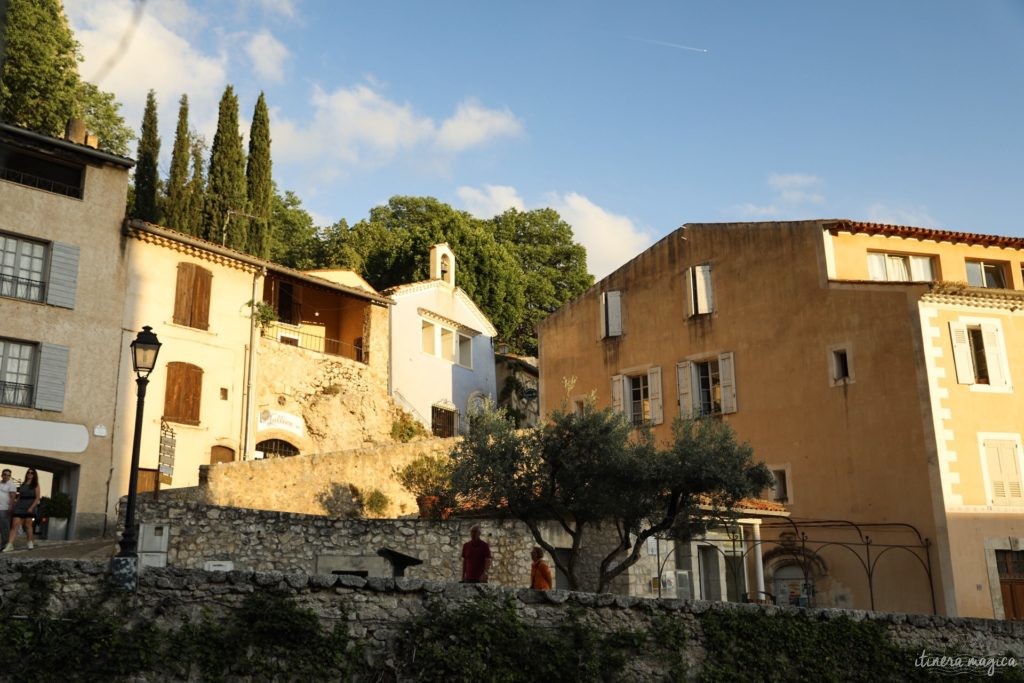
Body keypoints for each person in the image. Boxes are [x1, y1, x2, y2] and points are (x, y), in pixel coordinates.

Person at [3, 468, 41, 552]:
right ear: (27, 474)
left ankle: (30, 542)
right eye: (28, 472)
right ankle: (10, 545)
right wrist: (14, 505)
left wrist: (31, 507)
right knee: (14, 525)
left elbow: (37, 497)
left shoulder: (36, 484)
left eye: (32, 473)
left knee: (28, 525)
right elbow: (19, 496)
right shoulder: (23, 484)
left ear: (34, 475)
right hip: (20, 506)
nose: (30, 474)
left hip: (30, 506)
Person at [0, 469, 16, 548]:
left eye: (8, 475)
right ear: (1, 475)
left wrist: (10, 507)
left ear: (10, 476)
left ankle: (5, 544)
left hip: (5, 508)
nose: (6, 476)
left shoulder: (11, 484)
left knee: (5, 527)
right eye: (5, 474)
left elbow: (13, 496)